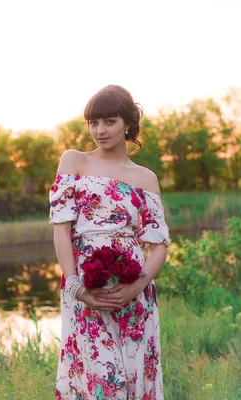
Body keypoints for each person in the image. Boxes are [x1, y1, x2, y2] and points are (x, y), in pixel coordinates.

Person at [49, 85, 170, 399]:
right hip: (85, 288)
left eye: (109, 121)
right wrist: (77, 287)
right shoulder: (74, 161)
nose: (99, 131)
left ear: (127, 123)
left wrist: (135, 287)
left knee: (133, 375)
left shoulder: (146, 178)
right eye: (93, 123)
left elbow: (159, 245)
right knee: (100, 381)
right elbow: (61, 231)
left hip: (134, 292)